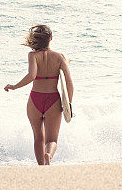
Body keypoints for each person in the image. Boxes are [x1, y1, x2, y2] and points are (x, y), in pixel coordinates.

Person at [5, 25, 74, 165]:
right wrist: (68, 105)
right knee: (52, 140)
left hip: (35, 99)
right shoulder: (60, 57)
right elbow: (69, 83)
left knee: (38, 138)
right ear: (51, 38)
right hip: (53, 100)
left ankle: (41, 167)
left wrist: (14, 86)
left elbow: (31, 76)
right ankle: (48, 155)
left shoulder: (32, 55)